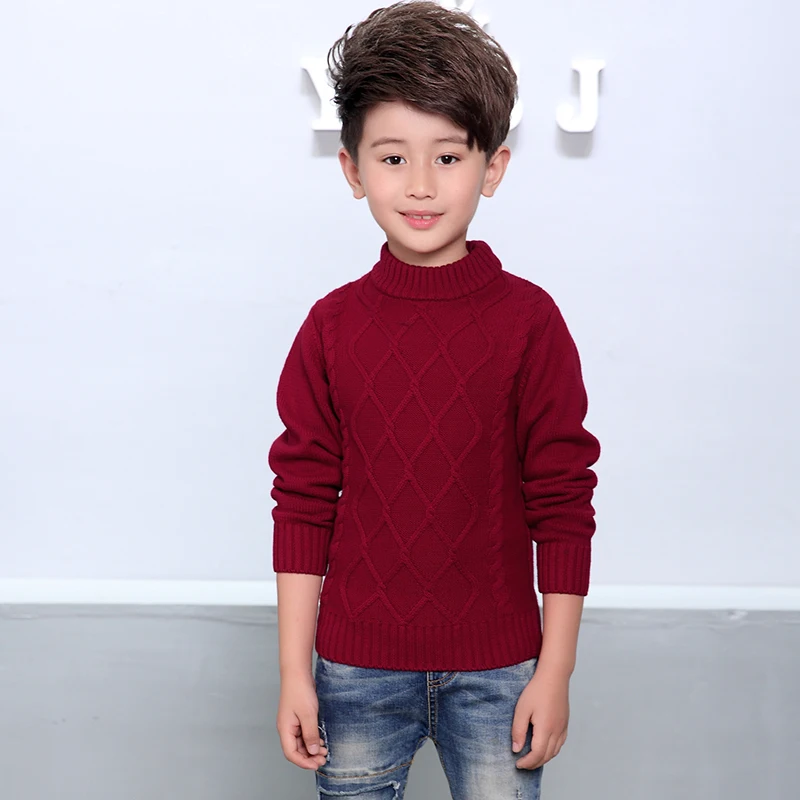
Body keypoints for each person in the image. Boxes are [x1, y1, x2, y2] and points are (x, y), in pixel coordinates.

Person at [269, 2, 601, 797]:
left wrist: (555, 672)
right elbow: (302, 502)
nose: (420, 185)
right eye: (392, 158)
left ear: (493, 167)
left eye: (448, 157)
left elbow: (563, 501)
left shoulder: (530, 322)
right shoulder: (330, 328)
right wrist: (294, 673)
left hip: (500, 672)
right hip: (353, 670)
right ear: (353, 170)